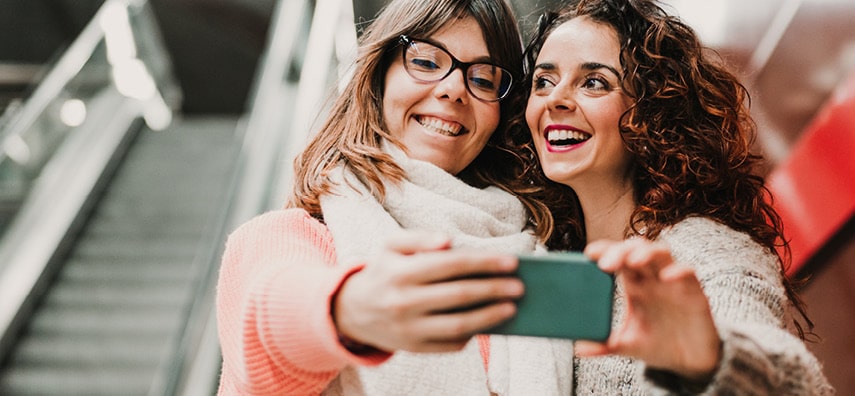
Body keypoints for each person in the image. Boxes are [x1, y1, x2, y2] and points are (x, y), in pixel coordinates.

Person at [215, 0, 580, 394]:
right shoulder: (285, 238)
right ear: (379, 77)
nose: (454, 88)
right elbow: (270, 324)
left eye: (483, 79)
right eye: (425, 62)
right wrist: (349, 309)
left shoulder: (537, 256)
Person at [507, 0, 835, 393]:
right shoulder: (542, 252)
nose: (554, 99)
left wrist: (710, 360)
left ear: (651, 113)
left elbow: (790, 379)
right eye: (544, 81)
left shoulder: (705, 252)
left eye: (594, 82)